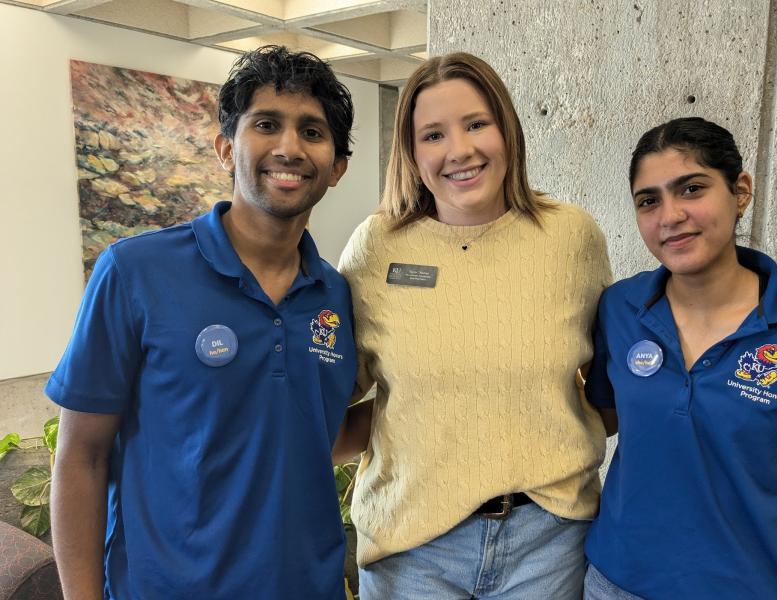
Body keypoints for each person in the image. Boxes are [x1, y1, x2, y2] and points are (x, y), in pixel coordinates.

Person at [47, 45, 357, 599]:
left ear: (336, 167)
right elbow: (81, 456)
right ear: (224, 147)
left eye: (312, 132)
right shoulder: (135, 272)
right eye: (266, 124)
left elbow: (317, 437)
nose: (288, 147)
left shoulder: (335, 296)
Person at [334, 52, 612, 599]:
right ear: (411, 153)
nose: (459, 150)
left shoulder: (571, 237)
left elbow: (610, 388)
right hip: (411, 548)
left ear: (507, 129)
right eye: (432, 134)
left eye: (477, 124)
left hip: (549, 540)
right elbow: (335, 391)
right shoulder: (377, 246)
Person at [582, 117, 777, 600]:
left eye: (692, 189)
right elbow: (603, 419)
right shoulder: (620, 308)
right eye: (648, 201)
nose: (670, 215)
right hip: (615, 583)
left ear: (740, 191)